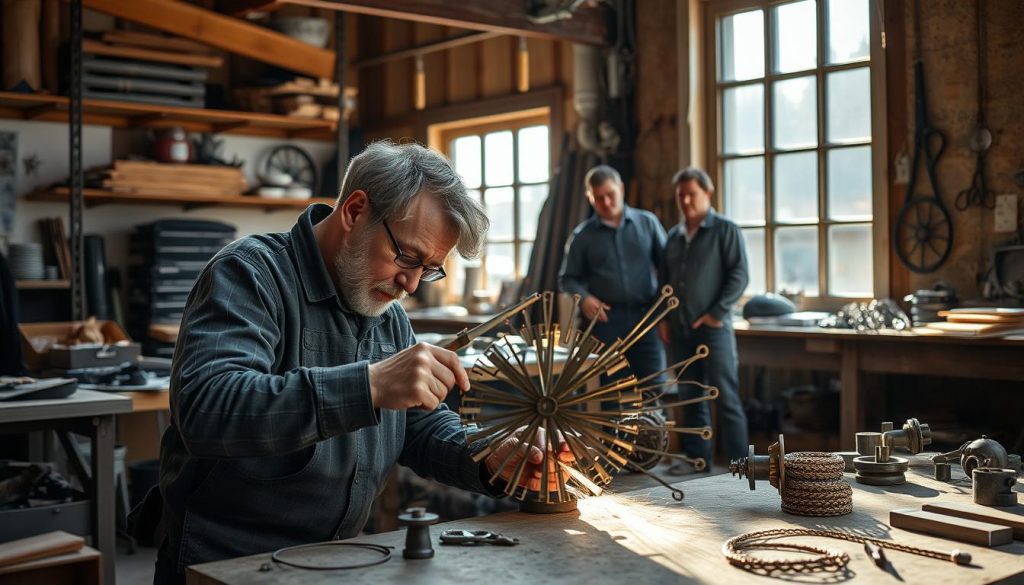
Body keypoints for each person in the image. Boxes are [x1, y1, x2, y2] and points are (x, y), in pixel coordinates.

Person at [148, 141, 566, 584]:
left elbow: (416, 426)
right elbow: (207, 407)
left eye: (430, 269)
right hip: (223, 566)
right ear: (355, 210)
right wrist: (368, 385)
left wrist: (489, 456)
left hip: (341, 561)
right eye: (407, 257)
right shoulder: (249, 274)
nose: (411, 284)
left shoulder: (387, 314)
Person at [658, 167, 749, 472]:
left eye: (691, 193)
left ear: (707, 194)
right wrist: (665, 320)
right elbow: (665, 281)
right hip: (681, 330)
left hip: (714, 330)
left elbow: (739, 275)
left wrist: (715, 314)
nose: (685, 200)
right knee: (690, 394)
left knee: (726, 397)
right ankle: (698, 460)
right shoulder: (673, 237)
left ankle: (742, 464)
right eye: (680, 194)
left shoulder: (726, 230)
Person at [558, 165, 667, 398]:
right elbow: (567, 279)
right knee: (610, 396)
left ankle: (652, 436)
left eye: (611, 195)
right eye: (599, 198)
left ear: (621, 189)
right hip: (606, 325)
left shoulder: (647, 223)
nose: (606, 202)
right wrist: (584, 298)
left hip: (647, 320)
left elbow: (668, 269)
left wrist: (665, 315)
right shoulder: (582, 236)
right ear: (590, 198)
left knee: (653, 391)